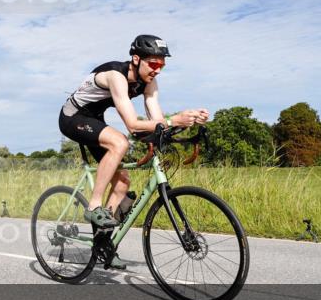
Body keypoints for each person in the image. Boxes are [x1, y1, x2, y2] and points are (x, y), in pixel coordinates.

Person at [59, 35, 209, 234]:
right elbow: (133, 125)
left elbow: (157, 121)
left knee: (122, 185)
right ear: (136, 59)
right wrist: (174, 119)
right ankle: (94, 206)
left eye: (161, 66)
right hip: (73, 117)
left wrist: (187, 121)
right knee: (119, 143)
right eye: (153, 64)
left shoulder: (149, 83)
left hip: (95, 120)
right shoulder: (116, 76)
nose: (157, 70)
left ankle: (103, 246)